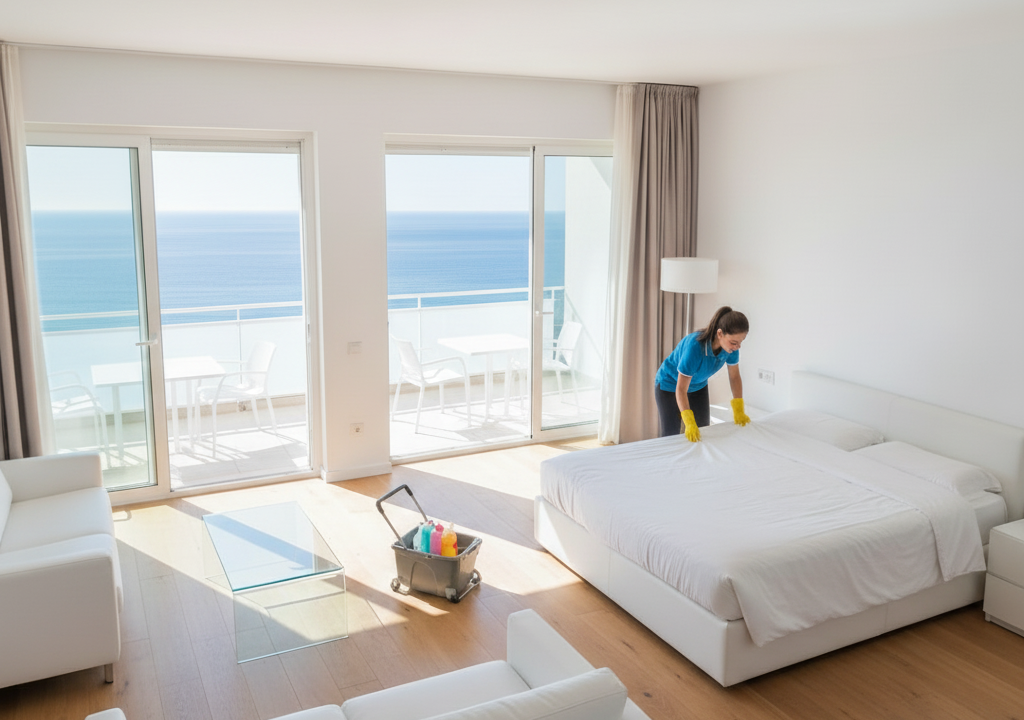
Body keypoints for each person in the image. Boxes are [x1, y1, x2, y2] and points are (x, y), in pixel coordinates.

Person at [654, 306, 750, 441]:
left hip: (698, 385)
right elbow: (681, 389)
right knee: (671, 435)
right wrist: (689, 421)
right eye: (734, 342)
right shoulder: (695, 347)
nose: (737, 347)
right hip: (670, 385)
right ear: (720, 334)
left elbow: (734, 377)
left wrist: (738, 409)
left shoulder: (731, 349)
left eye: (740, 342)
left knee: (704, 430)